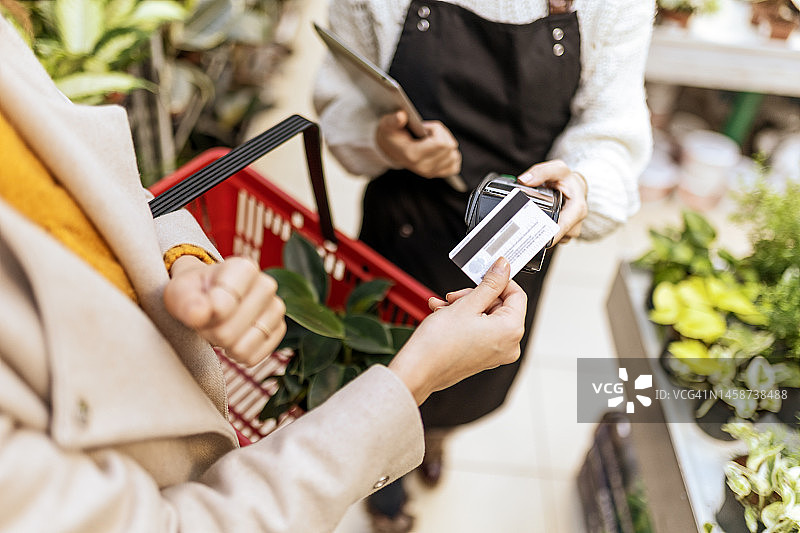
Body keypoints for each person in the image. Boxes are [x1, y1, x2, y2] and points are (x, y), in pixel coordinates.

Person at [0, 14, 528, 532]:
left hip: (178, 379)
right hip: (172, 451)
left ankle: (430, 439)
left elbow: (86, 198)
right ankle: (399, 467)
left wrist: (182, 261)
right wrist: (414, 380)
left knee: (468, 394)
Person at [314, 0, 655, 529]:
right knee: (379, 364)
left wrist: (582, 183)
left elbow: (611, 129)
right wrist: (382, 140)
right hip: (404, 224)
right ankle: (386, 476)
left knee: (465, 388)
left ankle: (432, 439)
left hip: (515, 240)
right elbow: (346, 93)